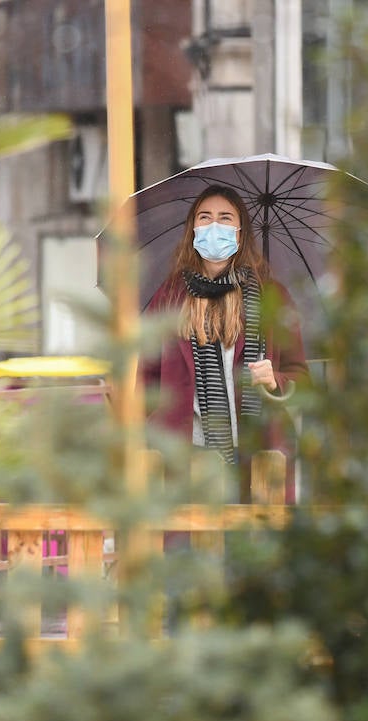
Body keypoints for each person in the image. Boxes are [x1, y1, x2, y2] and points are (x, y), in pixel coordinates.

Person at [144, 184, 308, 498]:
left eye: (225, 218)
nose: (214, 226)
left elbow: (301, 377)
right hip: (184, 456)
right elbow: (146, 376)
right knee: (190, 544)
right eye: (204, 217)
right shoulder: (170, 296)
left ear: (240, 231)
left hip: (257, 455)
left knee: (252, 543)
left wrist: (276, 380)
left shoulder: (271, 297)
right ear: (192, 228)